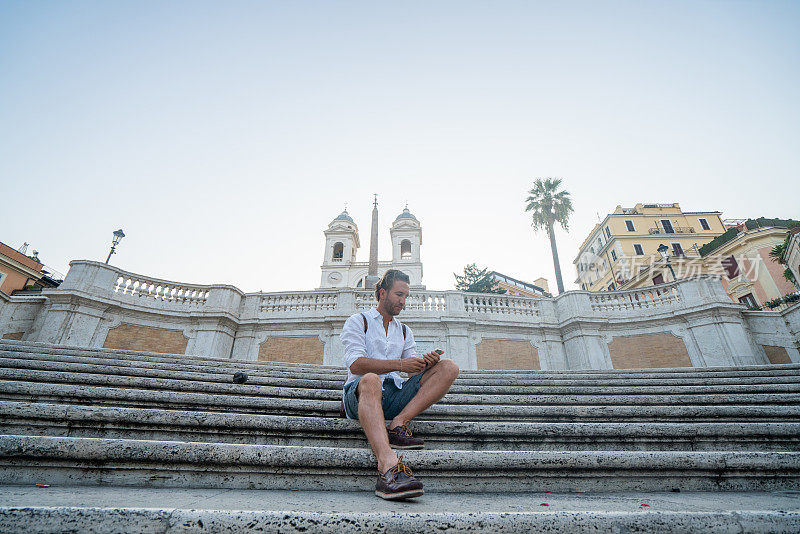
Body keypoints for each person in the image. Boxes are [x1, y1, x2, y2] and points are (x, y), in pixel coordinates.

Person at [340, 269, 460, 500]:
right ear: (382, 293)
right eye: (398, 294)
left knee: (449, 367)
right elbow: (356, 364)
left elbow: (408, 367)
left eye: (406, 296)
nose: (403, 301)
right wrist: (400, 363)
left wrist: (424, 364)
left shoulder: (404, 331)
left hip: (394, 394)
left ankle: (398, 423)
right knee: (372, 379)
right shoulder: (359, 321)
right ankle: (387, 465)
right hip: (360, 395)